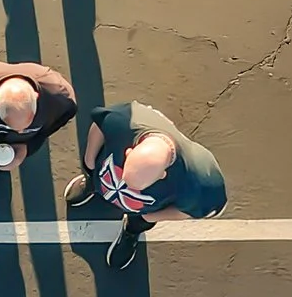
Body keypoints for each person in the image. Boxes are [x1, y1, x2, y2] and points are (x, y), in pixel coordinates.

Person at [62, 101, 228, 270]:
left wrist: (150, 217)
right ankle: (92, 184)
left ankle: (132, 231)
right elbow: (101, 125)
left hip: (145, 210)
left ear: (163, 174)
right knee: (99, 174)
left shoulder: (200, 180)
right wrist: (89, 164)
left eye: (133, 186)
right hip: (104, 178)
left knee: (140, 222)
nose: (124, 186)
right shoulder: (126, 120)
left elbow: (187, 211)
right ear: (129, 151)